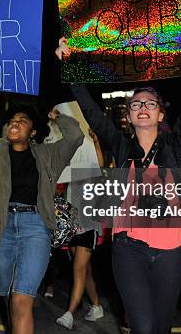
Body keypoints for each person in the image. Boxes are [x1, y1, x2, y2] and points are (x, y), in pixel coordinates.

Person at [57, 25, 181, 334]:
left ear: (160, 115)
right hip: (128, 248)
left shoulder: (173, 144)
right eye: (136, 104)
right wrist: (68, 64)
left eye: (150, 103)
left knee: (161, 327)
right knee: (143, 326)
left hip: (171, 251)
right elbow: (91, 112)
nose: (142, 107)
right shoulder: (121, 146)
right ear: (128, 114)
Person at [0, 71, 84, 334]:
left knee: (22, 300)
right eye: (12, 120)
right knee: (10, 299)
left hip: (35, 228)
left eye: (22, 121)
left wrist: (58, 117)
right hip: (0, 230)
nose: (15, 123)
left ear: (32, 131)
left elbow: (75, 138)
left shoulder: (48, 156)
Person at [55, 129, 104, 329]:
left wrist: (96, 140)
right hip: (72, 225)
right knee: (85, 269)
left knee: (78, 268)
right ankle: (97, 306)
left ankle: (70, 313)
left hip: (88, 225)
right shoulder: (70, 172)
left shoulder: (92, 170)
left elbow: (100, 164)